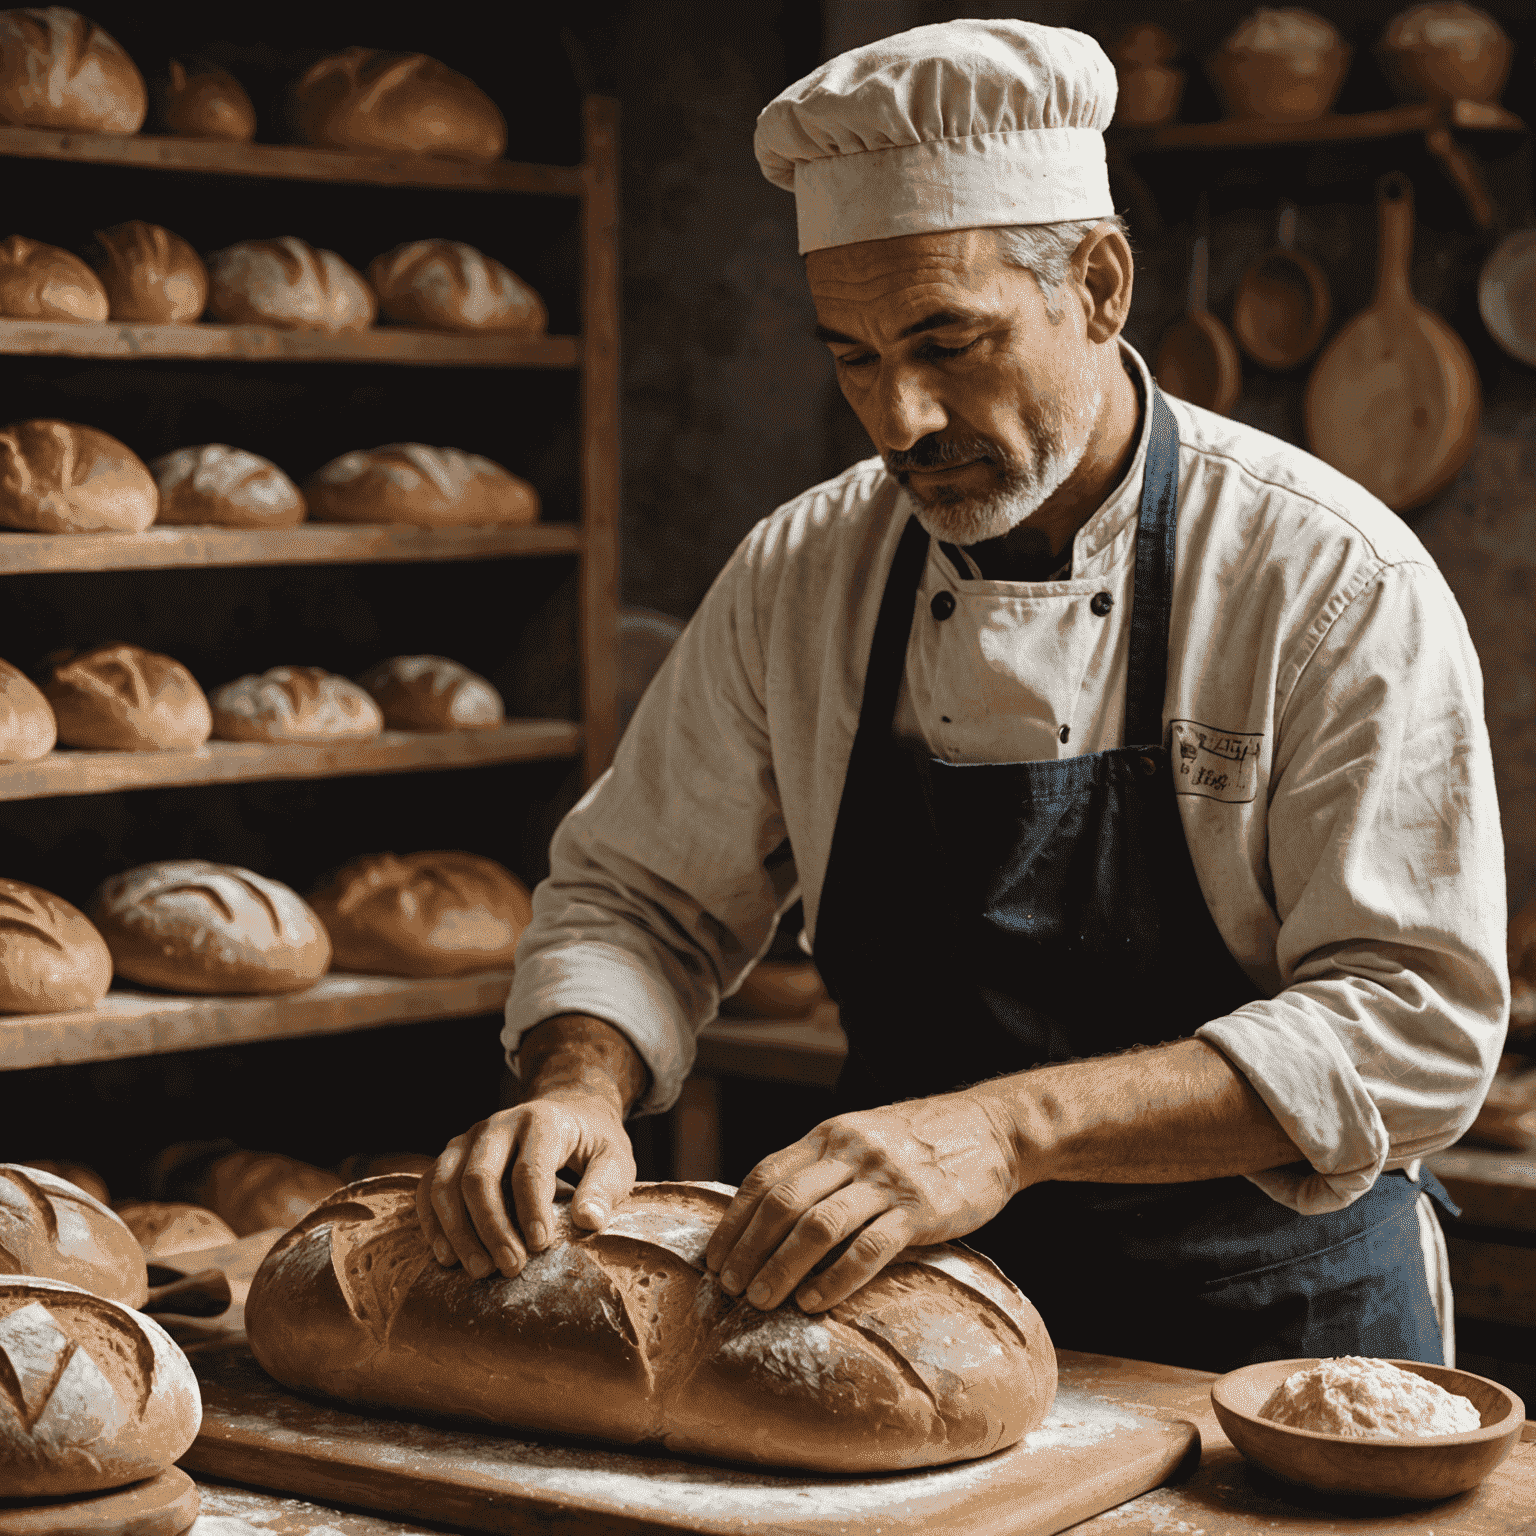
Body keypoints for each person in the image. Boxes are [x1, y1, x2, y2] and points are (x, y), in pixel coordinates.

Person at [420, 19, 1508, 1371]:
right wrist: (584, 1078)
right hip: (909, 1325)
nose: (899, 420)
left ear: (1099, 284)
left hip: (1272, 1337)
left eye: (950, 341)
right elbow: (639, 897)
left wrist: (1006, 1129)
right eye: (853, 357)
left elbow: (1413, 1021)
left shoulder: (1324, 578)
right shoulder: (803, 572)